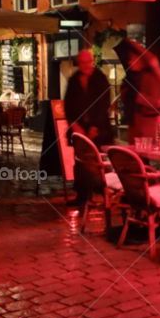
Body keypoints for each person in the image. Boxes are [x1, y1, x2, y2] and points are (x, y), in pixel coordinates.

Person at [63, 49, 113, 206]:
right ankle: (82, 195)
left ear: (92, 61)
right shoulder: (74, 80)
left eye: (87, 62)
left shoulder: (100, 79)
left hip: (99, 128)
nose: (85, 65)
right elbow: (68, 104)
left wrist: (94, 125)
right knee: (80, 162)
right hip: (79, 128)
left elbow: (104, 104)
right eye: (82, 62)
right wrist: (74, 123)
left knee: (99, 161)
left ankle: (105, 192)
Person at [115, 39, 160, 145]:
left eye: (131, 58)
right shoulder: (133, 77)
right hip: (136, 122)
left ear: (140, 59)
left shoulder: (150, 77)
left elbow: (157, 102)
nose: (129, 62)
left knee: (146, 153)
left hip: (149, 124)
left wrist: (137, 97)